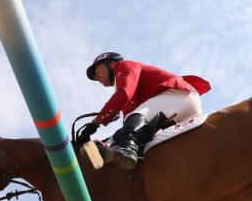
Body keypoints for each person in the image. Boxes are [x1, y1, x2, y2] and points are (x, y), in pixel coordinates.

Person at [77, 52, 210, 169]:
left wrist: (96, 122)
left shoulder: (124, 66)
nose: (96, 76)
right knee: (130, 132)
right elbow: (131, 126)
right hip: (179, 108)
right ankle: (111, 148)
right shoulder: (127, 90)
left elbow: (124, 94)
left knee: (133, 121)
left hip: (179, 96)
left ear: (111, 63)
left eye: (97, 70)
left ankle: (128, 150)